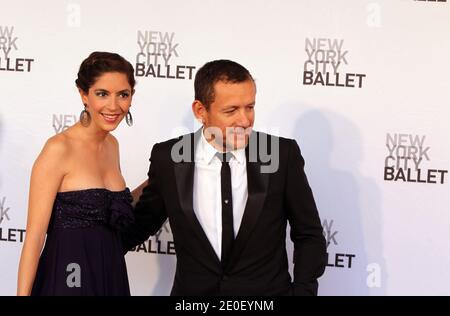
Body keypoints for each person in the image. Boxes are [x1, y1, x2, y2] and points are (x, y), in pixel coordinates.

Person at [122, 59, 327, 296]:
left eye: (249, 107)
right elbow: (141, 224)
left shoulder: (281, 155)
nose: (244, 120)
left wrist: (303, 292)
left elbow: (309, 235)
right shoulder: (169, 158)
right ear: (200, 111)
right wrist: (86, 246)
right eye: (231, 110)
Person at [17, 52, 136, 296]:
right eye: (102, 94)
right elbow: (34, 237)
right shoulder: (59, 148)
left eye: (123, 94)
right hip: (69, 277)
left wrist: (162, 176)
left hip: (110, 273)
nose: (114, 106)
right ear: (84, 95)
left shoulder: (112, 145)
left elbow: (109, 209)